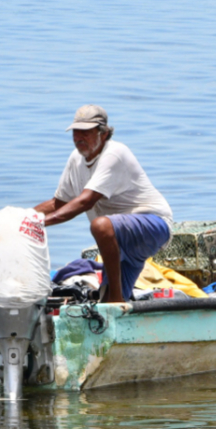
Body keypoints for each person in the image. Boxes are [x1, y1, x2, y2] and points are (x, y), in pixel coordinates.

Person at [34, 105, 173, 303]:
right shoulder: (76, 159)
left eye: (86, 132)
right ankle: (116, 302)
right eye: (76, 132)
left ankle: (116, 301)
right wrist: (22, 217)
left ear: (104, 133)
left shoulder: (114, 154)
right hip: (118, 236)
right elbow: (59, 203)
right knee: (104, 304)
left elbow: (85, 201)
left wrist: (38, 224)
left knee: (100, 225)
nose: (79, 138)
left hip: (153, 225)